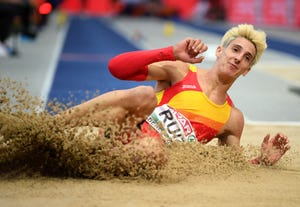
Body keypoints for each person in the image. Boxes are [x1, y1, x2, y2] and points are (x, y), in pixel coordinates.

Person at [59, 24, 290, 166]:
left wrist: (261, 161)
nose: (239, 58)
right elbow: (116, 68)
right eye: (235, 49)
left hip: (148, 157)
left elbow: (230, 164)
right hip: (123, 130)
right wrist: (169, 52)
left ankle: (82, 163)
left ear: (246, 70)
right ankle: (53, 125)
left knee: (154, 150)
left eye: (247, 58)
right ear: (220, 51)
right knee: (144, 95)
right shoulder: (181, 70)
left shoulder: (232, 118)